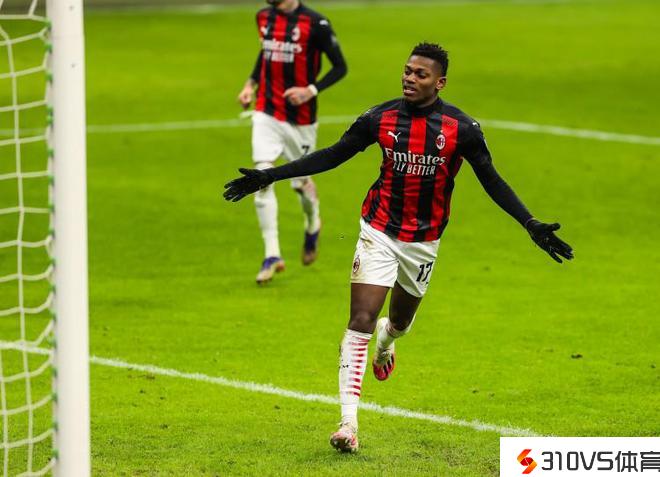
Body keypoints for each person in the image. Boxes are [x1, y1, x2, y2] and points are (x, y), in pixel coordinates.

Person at [225, 42, 573, 452]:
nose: (409, 78)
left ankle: (386, 344)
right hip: (379, 230)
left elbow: (492, 180)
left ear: (440, 83)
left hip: (424, 242)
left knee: (399, 323)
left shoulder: (461, 129)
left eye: (420, 74)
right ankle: (348, 424)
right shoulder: (380, 117)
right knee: (361, 318)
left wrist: (529, 223)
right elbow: (334, 155)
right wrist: (270, 176)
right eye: (407, 70)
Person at [237, 0, 347, 284]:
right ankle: (272, 254)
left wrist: (310, 90)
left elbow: (340, 67)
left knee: (301, 184)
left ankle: (313, 222)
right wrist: (250, 84)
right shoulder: (263, 17)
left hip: (301, 120)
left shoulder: (316, 24)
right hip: (266, 111)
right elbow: (266, 55)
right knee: (261, 175)